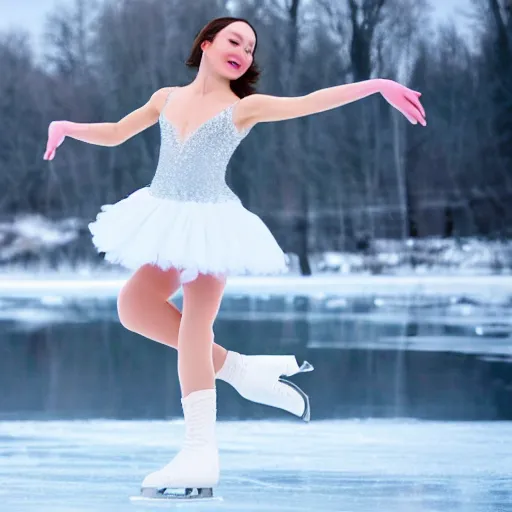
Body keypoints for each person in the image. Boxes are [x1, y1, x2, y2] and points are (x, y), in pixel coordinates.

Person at [43, 16, 426, 501]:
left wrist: (377, 85)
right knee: (133, 308)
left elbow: (310, 103)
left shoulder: (244, 108)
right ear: (206, 43)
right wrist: (68, 127)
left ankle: (200, 450)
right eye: (234, 40)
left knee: (193, 328)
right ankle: (243, 372)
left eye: (250, 47)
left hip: (211, 225)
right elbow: (118, 132)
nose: (243, 52)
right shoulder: (166, 98)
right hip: (163, 213)